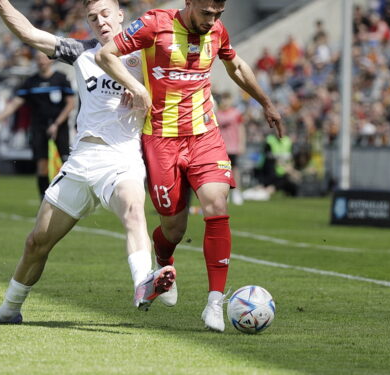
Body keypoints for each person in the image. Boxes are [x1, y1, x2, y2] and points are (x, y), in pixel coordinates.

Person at [0, 0, 176, 325]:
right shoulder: (82, 51)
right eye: (93, 17)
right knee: (37, 242)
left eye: (106, 14)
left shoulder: (147, 55)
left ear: (121, 15)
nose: (100, 21)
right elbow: (29, 33)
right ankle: (7, 311)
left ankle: (142, 283)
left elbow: (175, 93)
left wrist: (146, 95)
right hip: (80, 161)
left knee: (134, 212)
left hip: (121, 159)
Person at [96, 0, 284, 332]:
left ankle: (214, 302)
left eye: (218, 14)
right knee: (174, 229)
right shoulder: (155, 24)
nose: (212, 20)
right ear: (189, 3)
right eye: (206, 12)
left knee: (216, 203)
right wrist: (136, 86)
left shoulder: (217, 32)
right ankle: (164, 264)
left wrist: (266, 103)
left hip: (204, 136)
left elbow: (236, 66)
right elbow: (105, 54)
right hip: (161, 140)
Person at [0, 50, 76, 199]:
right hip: (38, 127)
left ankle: (67, 198)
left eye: (44, 57)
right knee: (42, 165)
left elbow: (70, 104)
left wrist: (57, 123)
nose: (41, 61)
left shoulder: (61, 79)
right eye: (38, 58)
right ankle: (44, 200)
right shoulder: (31, 82)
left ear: (50, 59)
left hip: (59, 126)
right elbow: (14, 105)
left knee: (65, 164)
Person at [216, 92, 245, 205]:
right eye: (223, 99)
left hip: (233, 146)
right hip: (221, 146)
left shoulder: (236, 113)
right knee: (223, 171)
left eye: (227, 99)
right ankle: (224, 193)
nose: (225, 102)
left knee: (236, 170)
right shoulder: (217, 114)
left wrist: (241, 143)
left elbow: (241, 129)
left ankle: (237, 192)